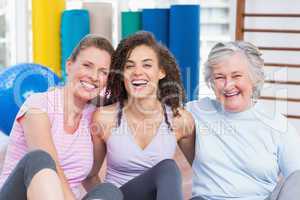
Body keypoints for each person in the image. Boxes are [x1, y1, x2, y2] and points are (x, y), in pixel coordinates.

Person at [0, 34, 123, 200]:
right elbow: (54, 166)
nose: (94, 76)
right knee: (40, 158)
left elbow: (90, 177)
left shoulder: (94, 115)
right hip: (20, 195)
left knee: (110, 192)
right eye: (87, 66)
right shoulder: (38, 105)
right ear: (69, 65)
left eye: (103, 72)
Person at [85, 31, 195, 200]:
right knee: (109, 191)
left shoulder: (180, 119)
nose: (137, 72)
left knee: (167, 168)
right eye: (129, 66)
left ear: (161, 72)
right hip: (116, 196)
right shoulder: (104, 118)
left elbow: (203, 170)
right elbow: (91, 175)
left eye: (147, 65)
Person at [186, 41, 300, 200]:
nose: (228, 85)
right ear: (211, 82)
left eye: (236, 76)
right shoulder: (196, 112)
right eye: (219, 77)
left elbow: (296, 181)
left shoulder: (278, 125)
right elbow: (154, 114)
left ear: (254, 78)